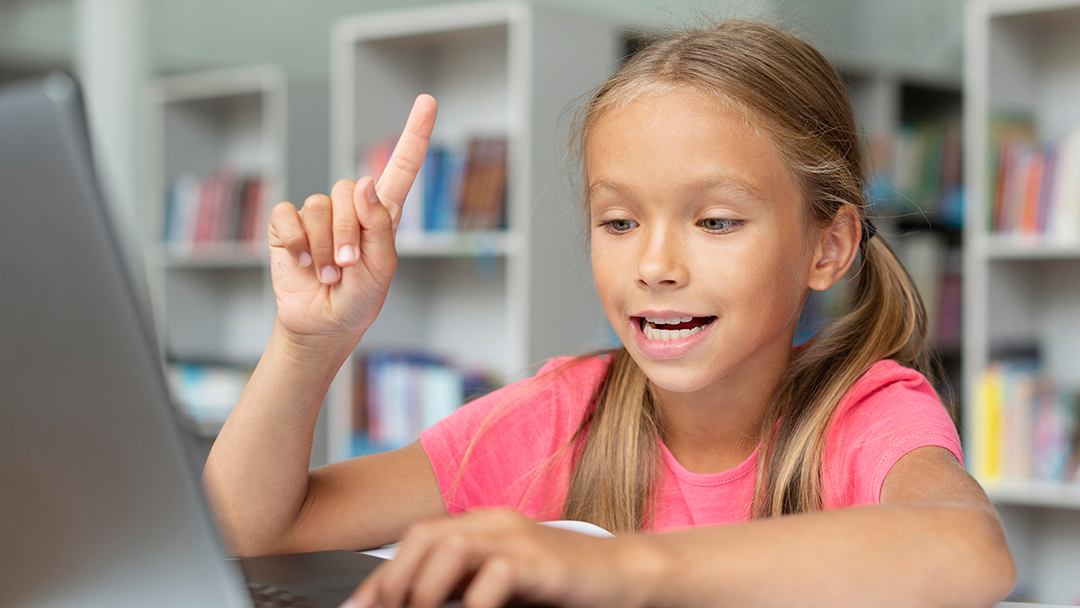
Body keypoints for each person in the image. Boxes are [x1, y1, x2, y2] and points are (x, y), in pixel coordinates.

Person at [202, 19, 1015, 608]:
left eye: (716, 221)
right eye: (619, 222)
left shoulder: (865, 415)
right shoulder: (563, 415)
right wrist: (309, 344)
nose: (655, 267)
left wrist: (626, 570)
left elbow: (970, 550)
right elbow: (252, 536)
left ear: (828, 247)